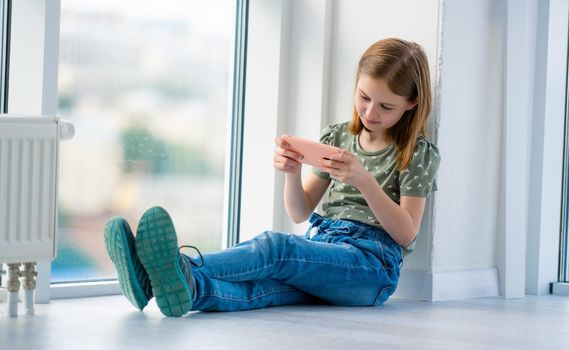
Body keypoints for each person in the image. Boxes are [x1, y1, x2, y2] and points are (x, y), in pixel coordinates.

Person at [104, 38, 440, 317]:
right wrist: (292, 174)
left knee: (275, 248)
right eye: (364, 97)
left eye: (386, 106)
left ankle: (175, 268)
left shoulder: (415, 153)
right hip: (323, 245)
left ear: (411, 104)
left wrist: (364, 180)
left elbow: (407, 231)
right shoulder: (338, 138)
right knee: (263, 289)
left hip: (371, 267)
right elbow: (299, 212)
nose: (370, 112)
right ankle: (182, 288)